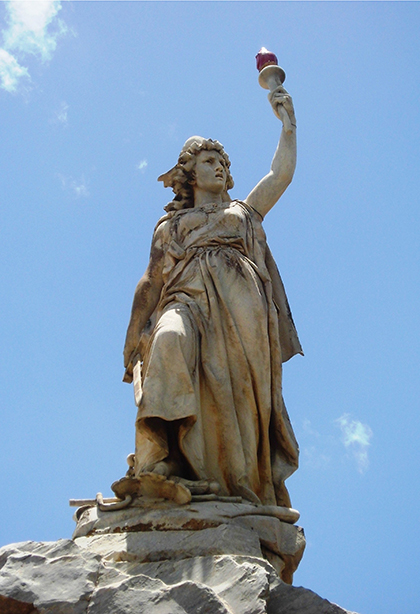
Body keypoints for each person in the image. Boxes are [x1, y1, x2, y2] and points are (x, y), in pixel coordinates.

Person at [123, 85, 302, 507]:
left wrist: (288, 127)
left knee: (235, 397)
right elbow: (151, 279)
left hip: (242, 315)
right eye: (209, 161)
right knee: (167, 340)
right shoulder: (171, 226)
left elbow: (280, 176)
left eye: (223, 162)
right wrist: (133, 334)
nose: (219, 167)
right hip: (185, 299)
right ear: (189, 172)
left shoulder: (243, 212)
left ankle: (226, 479)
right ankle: (160, 461)